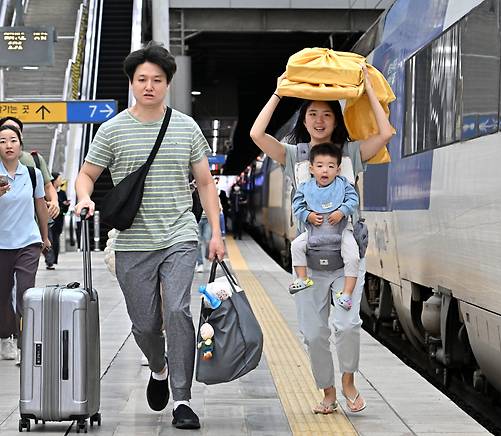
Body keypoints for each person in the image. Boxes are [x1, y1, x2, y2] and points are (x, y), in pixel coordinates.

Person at [74, 42, 224, 429]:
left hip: (179, 236)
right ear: (131, 83)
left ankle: (182, 399)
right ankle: (158, 367)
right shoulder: (112, 130)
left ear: (168, 83)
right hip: (132, 243)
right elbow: (87, 175)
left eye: (157, 79)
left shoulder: (186, 127)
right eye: (142, 79)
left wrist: (216, 233)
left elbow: (205, 184)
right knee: (143, 325)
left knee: (177, 311)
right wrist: (84, 198)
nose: (149, 86)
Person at [249, 64, 393, 414]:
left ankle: (347, 380)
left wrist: (367, 91)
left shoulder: (351, 154)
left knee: (346, 325)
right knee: (314, 334)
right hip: (310, 259)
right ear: (304, 119)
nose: (318, 120)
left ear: (335, 119)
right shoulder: (293, 155)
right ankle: (327, 391)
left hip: (346, 257)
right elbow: (256, 134)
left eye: (326, 114)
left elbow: (386, 132)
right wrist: (280, 92)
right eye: (311, 114)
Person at [0, 125, 51, 365]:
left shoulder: (33, 174)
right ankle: (6, 336)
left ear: (20, 145)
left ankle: (25, 344)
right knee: (2, 296)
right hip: (1, 244)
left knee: (25, 293)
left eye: (13, 140)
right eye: (2, 141)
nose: (8, 145)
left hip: (28, 242)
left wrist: (45, 236)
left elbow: (40, 205)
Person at [289, 143, 359, 312]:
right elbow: (297, 206)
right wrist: (308, 216)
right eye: (320, 166)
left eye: (330, 166)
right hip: (314, 231)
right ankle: (302, 278)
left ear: (338, 169)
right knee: (296, 245)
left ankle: (347, 294)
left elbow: (353, 200)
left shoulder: (343, 185)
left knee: (353, 256)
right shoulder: (306, 188)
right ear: (311, 169)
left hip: (341, 230)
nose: (325, 170)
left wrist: (342, 211)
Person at [0, 116, 59, 220]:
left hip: (32, 226)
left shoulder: (35, 159)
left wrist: (54, 201)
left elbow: (48, 186)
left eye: (15, 129)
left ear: (20, 136)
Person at [45, 172, 70, 269]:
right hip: (49, 219)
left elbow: (64, 210)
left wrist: (65, 205)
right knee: (50, 240)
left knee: (56, 240)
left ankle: (53, 260)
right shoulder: (47, 192)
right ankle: (50, 261)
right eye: (59, 179)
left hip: (59, 220)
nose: (61, 181)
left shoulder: (62, 193)